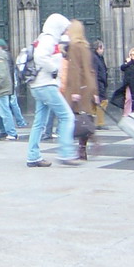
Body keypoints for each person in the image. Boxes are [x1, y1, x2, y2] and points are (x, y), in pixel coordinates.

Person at [25, 13, 79, 167]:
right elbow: (41, 57)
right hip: (46, 85)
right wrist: (55, 69)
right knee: (67, 116)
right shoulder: (48, 39)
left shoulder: (42, 38)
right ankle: (66, 153)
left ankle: (33, 156)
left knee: (39, 123)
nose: (66, 31)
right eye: (65, 28)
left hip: (38, 86)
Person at [60, 20, 98, 161]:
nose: (67, 32)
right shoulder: (85, 47)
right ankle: (83, 148)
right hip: (87, 86)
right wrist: (94, 91)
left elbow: (75, 69)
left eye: (69, 29)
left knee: (71, 118)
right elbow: (90, 70)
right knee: (84, 117)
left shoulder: (75, 47)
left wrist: (75, 91)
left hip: (77, 88)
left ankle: (71, 149)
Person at [110, 47, 134, 114]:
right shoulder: (128, 61)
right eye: (131, 54)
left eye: (133, 54)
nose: (132, 56)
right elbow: (122, 67)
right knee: (128, 99)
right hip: (128, 83)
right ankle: (127, 113)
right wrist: (129, 62)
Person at [91, 40, 108, 128]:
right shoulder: (94, 58)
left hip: (101, 82)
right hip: (98, 83)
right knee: (103, 102)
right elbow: (94, 72)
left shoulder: (99, 57)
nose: (103, 50)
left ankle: (93, 122)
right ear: (97, 48)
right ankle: (100, 123)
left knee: (95, 104)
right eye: (102, 48)